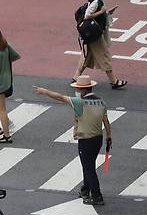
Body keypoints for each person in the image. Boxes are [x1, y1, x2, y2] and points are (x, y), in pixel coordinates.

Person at [34, 75, 112, 205]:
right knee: (88, 165)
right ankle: (85, 190)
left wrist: (45, 91)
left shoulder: (79, 102)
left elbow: (59, 97)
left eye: (78, 89)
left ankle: (97, 196)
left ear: (83, 90)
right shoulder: (101, 101)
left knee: (89, 168)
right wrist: (109, 136)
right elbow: (106, 121)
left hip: (86, 140)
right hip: (98, 138)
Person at [74, 0, 127, 90]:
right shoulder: (96, 2)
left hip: (91, 33)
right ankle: (114, 81)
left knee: (86, 55)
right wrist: (102, 12)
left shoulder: (95, 0)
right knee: (105, 55)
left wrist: (107, 13)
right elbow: (88, 16)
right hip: (95, 34)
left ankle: (76, 77)